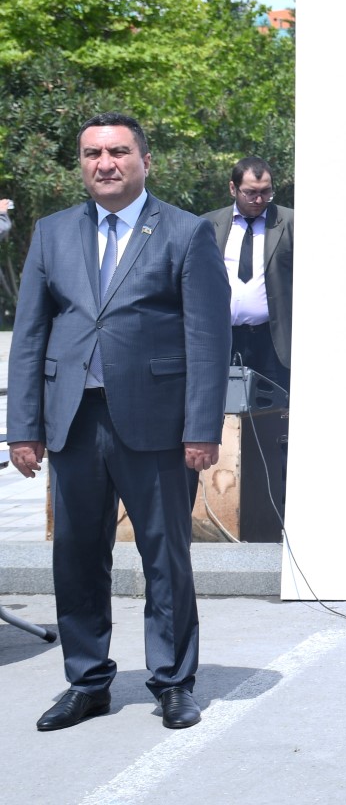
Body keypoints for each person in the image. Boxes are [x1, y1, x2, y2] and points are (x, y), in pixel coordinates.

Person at [8, 112, 231, 732]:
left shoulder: (186, 232)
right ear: (81, 164)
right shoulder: (52, 233)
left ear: (144, 161)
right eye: (92, 154)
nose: (104, 163)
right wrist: (23, 426)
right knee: (77, 556)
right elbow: (29, 336)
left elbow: (207, 338)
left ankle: (173, 681)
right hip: (73, 421)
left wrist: (202, 427)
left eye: (118, 152)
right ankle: (87, 681)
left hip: (157, 424)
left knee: (165, 557)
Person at [203, 157, 294, 392]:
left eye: (266, 192)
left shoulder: (291, 223)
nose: (259, 200)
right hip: (224, 338)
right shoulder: (208, 224)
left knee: (275, 408)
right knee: (224, 406)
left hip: (273, 342)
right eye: (250, 193)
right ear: (233, 188)